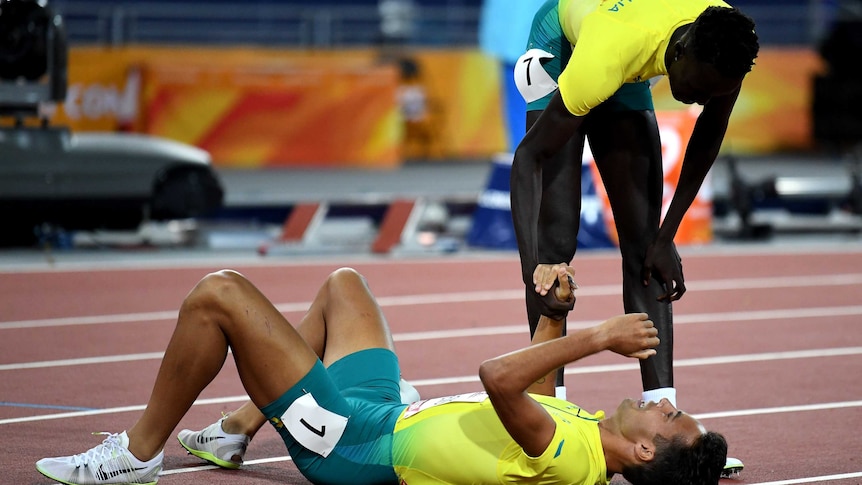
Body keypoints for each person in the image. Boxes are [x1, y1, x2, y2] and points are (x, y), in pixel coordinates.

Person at [36, 265, 728, 485]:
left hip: (350, 445)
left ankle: (136, 455)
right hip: (389, 410)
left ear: (643, 450)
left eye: (666, 416)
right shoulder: (583, 434)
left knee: (218, 294)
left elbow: (496, 376)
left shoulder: (573, 464)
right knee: (345, 286)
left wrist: (598, 335)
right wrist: (555, 312)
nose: (655, 401)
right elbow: (535, 388)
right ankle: (239, 427)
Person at [509, 0, 759, 474]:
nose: (700, 99)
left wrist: (667, 237)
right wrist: (532, 269)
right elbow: (530, 160)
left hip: (629, 52)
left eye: (715, 92)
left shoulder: (728, 45)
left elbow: (707, 138)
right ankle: (549, 416)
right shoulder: (610, 52)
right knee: (556, 241)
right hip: (565, 43)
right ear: (681, 51)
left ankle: (666, 424)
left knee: (647, 249)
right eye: (698, 88)